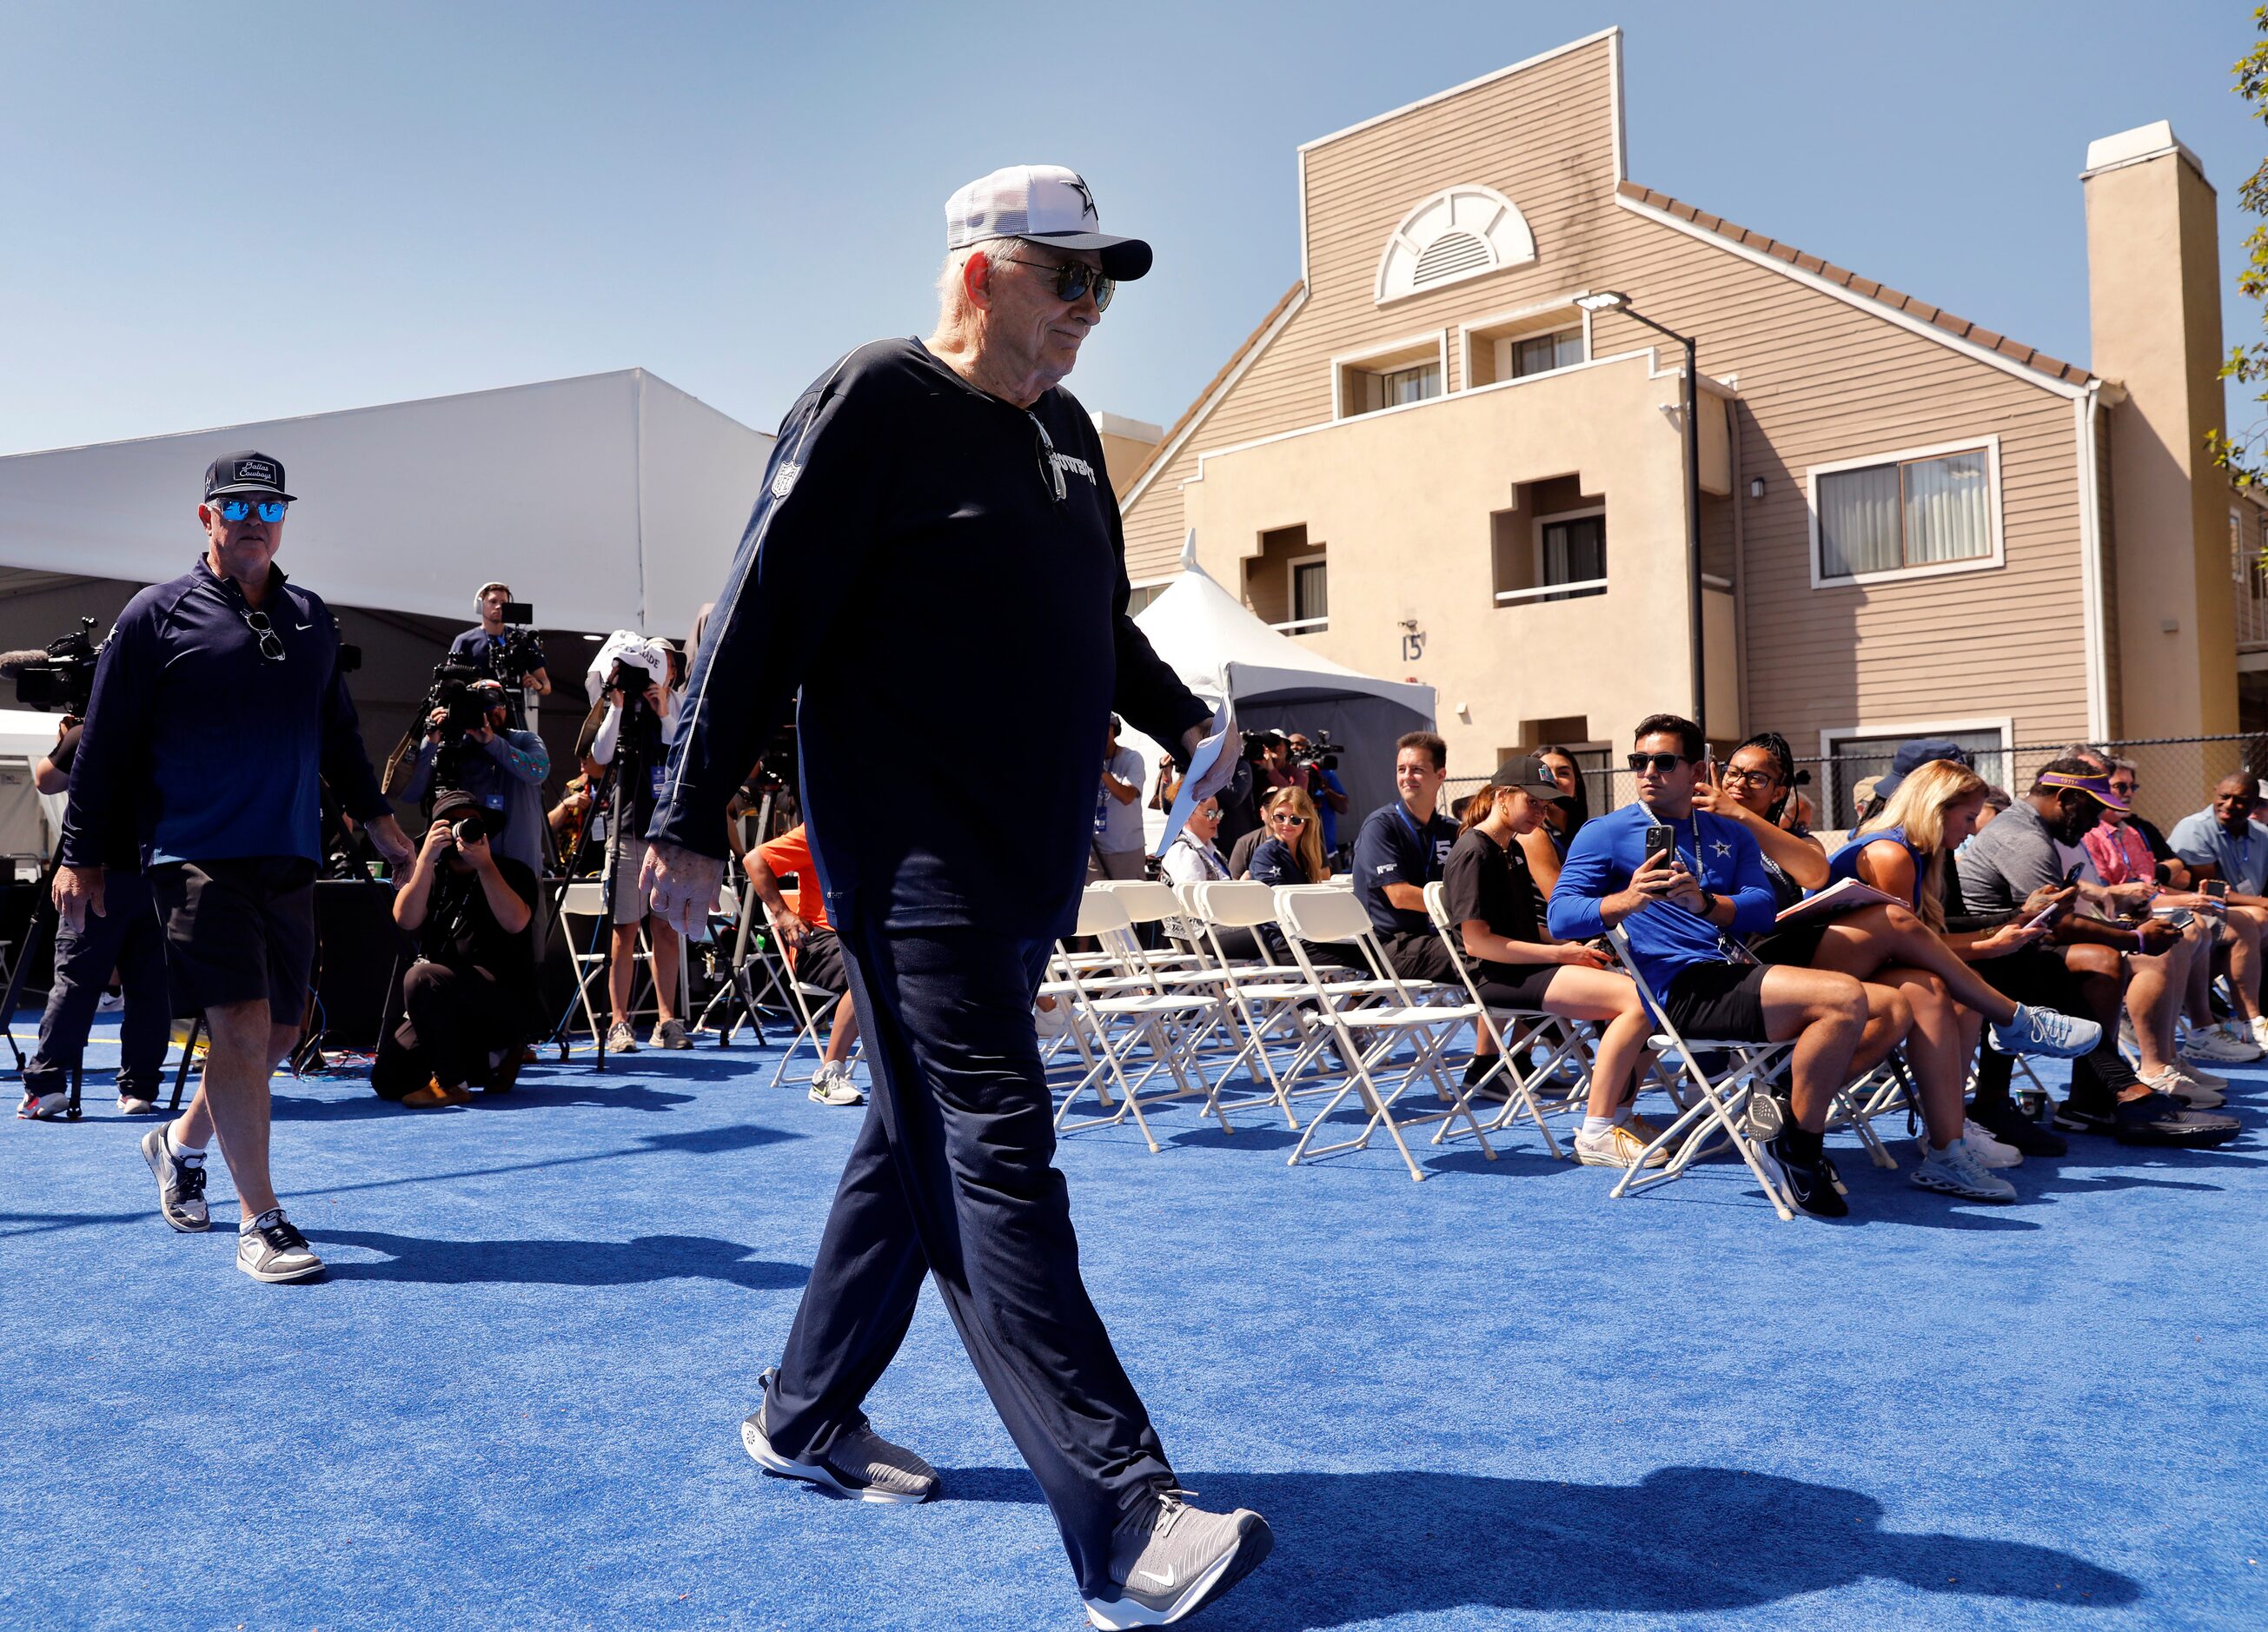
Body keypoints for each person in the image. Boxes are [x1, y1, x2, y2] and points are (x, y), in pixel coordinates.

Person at [639, 164, 1271, 1626]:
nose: (1089, 317)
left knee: (907, 1141)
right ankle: (1125, 1518)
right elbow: (757, 608)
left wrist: (1184, 722)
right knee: (994, 1150)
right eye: (1070, 283)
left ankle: (802, 1410)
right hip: (910, 851)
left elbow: (1089, 617)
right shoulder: (876, 399)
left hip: (1023, 854)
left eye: (1104, 290)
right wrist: (682, 814)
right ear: (984, 275)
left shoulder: (1061, 435)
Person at [56, 450, 413, 1283]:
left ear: (284, 517)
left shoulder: (311, 616)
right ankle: (264, 1220)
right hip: (192, 852)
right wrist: (83, 855)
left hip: (287, 851)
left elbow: (342, 740)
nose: (253, 517)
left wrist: (386, 831)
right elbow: (103, 745)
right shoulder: (154, 616)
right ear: (206, 517)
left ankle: (176, 1145)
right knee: (244, 1027)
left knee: (281, 1033)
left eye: (268, 504)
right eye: (236, 504)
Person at [1547, 713, 1872, 1218]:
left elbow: (1763, 907)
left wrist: (1707, 904)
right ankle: (1796, 1150)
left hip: (1728, 970)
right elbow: (1561, 915)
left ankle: (1775, 1113)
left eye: (1663, 761)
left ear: (1696, 769)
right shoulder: (1605, 833)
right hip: (1672, 990)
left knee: (1889, 1005)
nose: (1647, 771)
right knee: (1844, 997)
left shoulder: (1729, 830)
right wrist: (1624, 902)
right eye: (1639, 761)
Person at [1814, 760, 2106, 1199]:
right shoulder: (1890, 853)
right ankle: (2015, 1021)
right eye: (1968, 818)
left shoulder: (1918, 855)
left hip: (1869, 966)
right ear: (1936, 808)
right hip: (1818, 975)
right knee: (1940, 984)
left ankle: (1947, 1143)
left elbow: (1923, 940)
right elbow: (1904, 940)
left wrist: (1993, 940)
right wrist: (1986, 944)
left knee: (1957, 999)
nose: (1972, 831)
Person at [1958, 761, 2236, 1145]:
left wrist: (2125, 930)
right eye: (2091, 810)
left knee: (2098, 960)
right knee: (2069, 963)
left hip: (2011, 951)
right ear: (2066, 798)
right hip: (1988, 961)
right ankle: (2113, 1089)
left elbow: (2046, 920)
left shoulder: (2029, 828)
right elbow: (2054, 924)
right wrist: (2135, 938)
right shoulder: (2023, 838)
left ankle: (2090, 1100)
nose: (2094, 823)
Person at [1445, 757, 1656, 1170]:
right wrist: (1561, 953)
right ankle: (1598, 1130)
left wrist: (1582, 947)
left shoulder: (1511, 849)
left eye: (1547, 804)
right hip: (1496, 977)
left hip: (1523, 967)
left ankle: (1618, 1116)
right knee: (1636, 1000)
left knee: (1648, 990)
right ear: (1503, 798)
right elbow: (1477, 943)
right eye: (1534, 801)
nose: (1543, 811)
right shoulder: (1474, 850)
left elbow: (1528, 929)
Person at [17, 717, 169, 1121]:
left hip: (95, 872)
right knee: (150, 988)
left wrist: (68, 741)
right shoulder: (170, 724)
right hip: (159, 872)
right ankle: (139, 1089)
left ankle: (45, 1085)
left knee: (77, 981)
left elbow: (46, 781)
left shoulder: (94, 730)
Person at [375, 791, 537, 1107]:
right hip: (445, 1004)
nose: (463, 832)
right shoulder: (433, 876)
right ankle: (488, 1063)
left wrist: (485, 866)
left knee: (420, 978)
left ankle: (454, 1083)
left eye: (471, 824)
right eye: (452, 825)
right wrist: (423, 860)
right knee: (388, 1079)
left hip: (500, 996)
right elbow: (405, 919)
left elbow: (516, 922)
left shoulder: (512, 871)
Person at [585, 636, 687, 1052]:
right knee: (624, 929)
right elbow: (600, 755)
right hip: (628, 829)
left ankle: (667, 1021)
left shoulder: (679, 702)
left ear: (673, 671)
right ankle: (619, 1023)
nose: (653, 670)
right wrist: (617, 704)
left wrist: (662, 709)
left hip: (667, 835)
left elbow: (684, 751)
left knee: (664, 928)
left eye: (662, 663)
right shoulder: (622, 702)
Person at [749, 823, 865, 1108]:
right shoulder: (820, 827)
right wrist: (783, 914)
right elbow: (754, 860)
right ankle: (828, 1075)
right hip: (817, 941)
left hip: (868, 938)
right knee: (869, 972)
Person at [394, 676, 551, 879]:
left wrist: (492, 742)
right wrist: (430, 742)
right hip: (468, 867)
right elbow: (410, 794)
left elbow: (538, 772)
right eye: (483, 708)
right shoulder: (455, 748)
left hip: (521, 869)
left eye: (499, 706)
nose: (492, 713)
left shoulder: (524, 740)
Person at [1349, 732, 1464, 982]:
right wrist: (1469, 909)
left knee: (1508, 949)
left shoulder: (1451, 829)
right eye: (1401, 769)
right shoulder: (1380, 826)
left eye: (1417, 769)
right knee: (1484, 954)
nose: (1407, 777)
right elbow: (1400, 896)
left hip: (1437, 937)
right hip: (1389, 946)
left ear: (1440, 775)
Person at [2167, 773, 2268, 1053]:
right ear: (2215, 791)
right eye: (2224, 797)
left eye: (2240, 800)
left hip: (2237, 910)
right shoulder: (2194, 828)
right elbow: (2210, 895)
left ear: (2253, 805)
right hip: (2195, 912)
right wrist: (2258, 903)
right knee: (2258, 920)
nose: (2229, 805)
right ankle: (2249, 1021)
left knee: (2260, 919)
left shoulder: (2262, 836)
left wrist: (2254, 901)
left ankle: (2252, 1018)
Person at [1157, 794, 1257, 959]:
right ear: (1188, 815)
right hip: (1198, 936)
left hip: (1217, 927)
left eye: (1218, 814)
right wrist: (1238, 890)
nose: (1216, 820)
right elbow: (1196, 906)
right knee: (1273, 931)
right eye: (1209, 814)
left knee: (1281, 928)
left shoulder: (1210, 850)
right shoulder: (1184, 852)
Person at [448, 581, 552, 697]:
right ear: (480, 605)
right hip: (477, 710)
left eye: (503, 603)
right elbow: (450, 683)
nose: (498, 606)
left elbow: (546, 686)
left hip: (513, 709)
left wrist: (537, 684)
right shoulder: (465, 641)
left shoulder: (521, 640)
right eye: (493, 602)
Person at [1515, 745, 1590, 897]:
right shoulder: (1532, 834)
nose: (1555, 779)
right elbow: (1562, 902)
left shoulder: (1584, 833)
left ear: (1576, 785)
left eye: (1563, 773)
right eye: (1546, 773)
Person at [1090, 714, 1147, 883]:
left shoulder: (1132, 759)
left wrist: (1100, 772)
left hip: (1126, 851)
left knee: (1130, 905)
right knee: (1095, 905)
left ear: (1115, 731)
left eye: (1105, 730)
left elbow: (1127, 796)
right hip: (1094, 851)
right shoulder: (1087, 761)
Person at [1287, 733, 1350, 859]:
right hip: (1295, 850)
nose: (1294, 747)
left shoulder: (1324, 773)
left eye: (1299, 744)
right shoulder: (1286, 773)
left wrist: (1325, 788)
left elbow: (1344, 807)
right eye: (1291, 744)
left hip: (1327, 849)